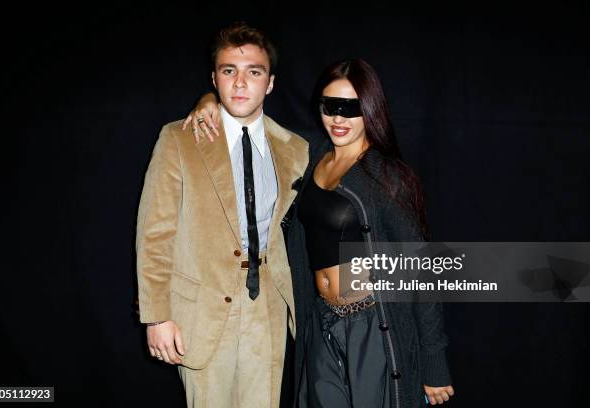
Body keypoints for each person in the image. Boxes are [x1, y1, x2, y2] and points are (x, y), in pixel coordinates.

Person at [184, 58, 455, 407]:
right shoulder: (310, 154)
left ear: (370, 109)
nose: (338, 118)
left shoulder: (387, 176)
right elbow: (254, 121)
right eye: (330, 106)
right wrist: (210, 101)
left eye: (350, 107)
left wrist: (434, 363)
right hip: (321, 323)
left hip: (373, 326)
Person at [135, 22, 308, 408]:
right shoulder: (179, 139)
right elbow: (155, 234)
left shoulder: (296, 150)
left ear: (271, 83)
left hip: (269, 305)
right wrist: (156, 316)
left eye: (254, 72)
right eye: (229, 71)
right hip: (203, 307)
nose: (241, 83)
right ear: (214, 78)